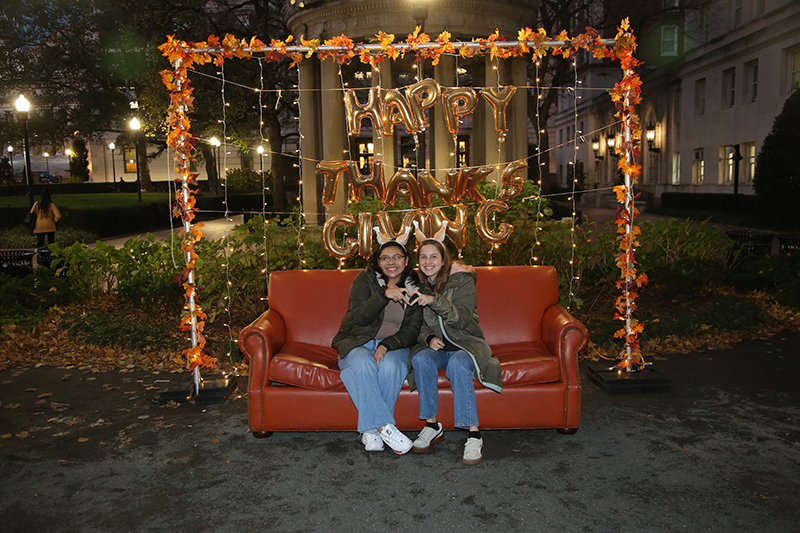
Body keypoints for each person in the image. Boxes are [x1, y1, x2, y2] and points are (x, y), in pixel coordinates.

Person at [406, 238, 502, 465]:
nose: (428, 262)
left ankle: (474, 434)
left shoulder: (462, 282)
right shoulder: (419, 286)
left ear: (443, 260)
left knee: (458, 364)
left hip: (466, 345)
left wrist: (434, 300)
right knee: (420, 359)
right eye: (423, 257)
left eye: (433, 256)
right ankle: (432, 426)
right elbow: (418, 325)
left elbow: (460, 319)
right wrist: (428, 338)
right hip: (439, 350)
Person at [332, 239, 423, 454]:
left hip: (394, 346)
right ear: (378, 262)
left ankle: (370, 431)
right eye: (385, 258)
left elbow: (412, 330)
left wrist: (386, 345)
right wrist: (383, 295)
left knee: (391, 367)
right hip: (357, 341)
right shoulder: (365, 280)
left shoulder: (416, 286)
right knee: (363, 363)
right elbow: (360, 317)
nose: (391, 262)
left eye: (397, 257)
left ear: (406, 260)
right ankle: (383, 427)